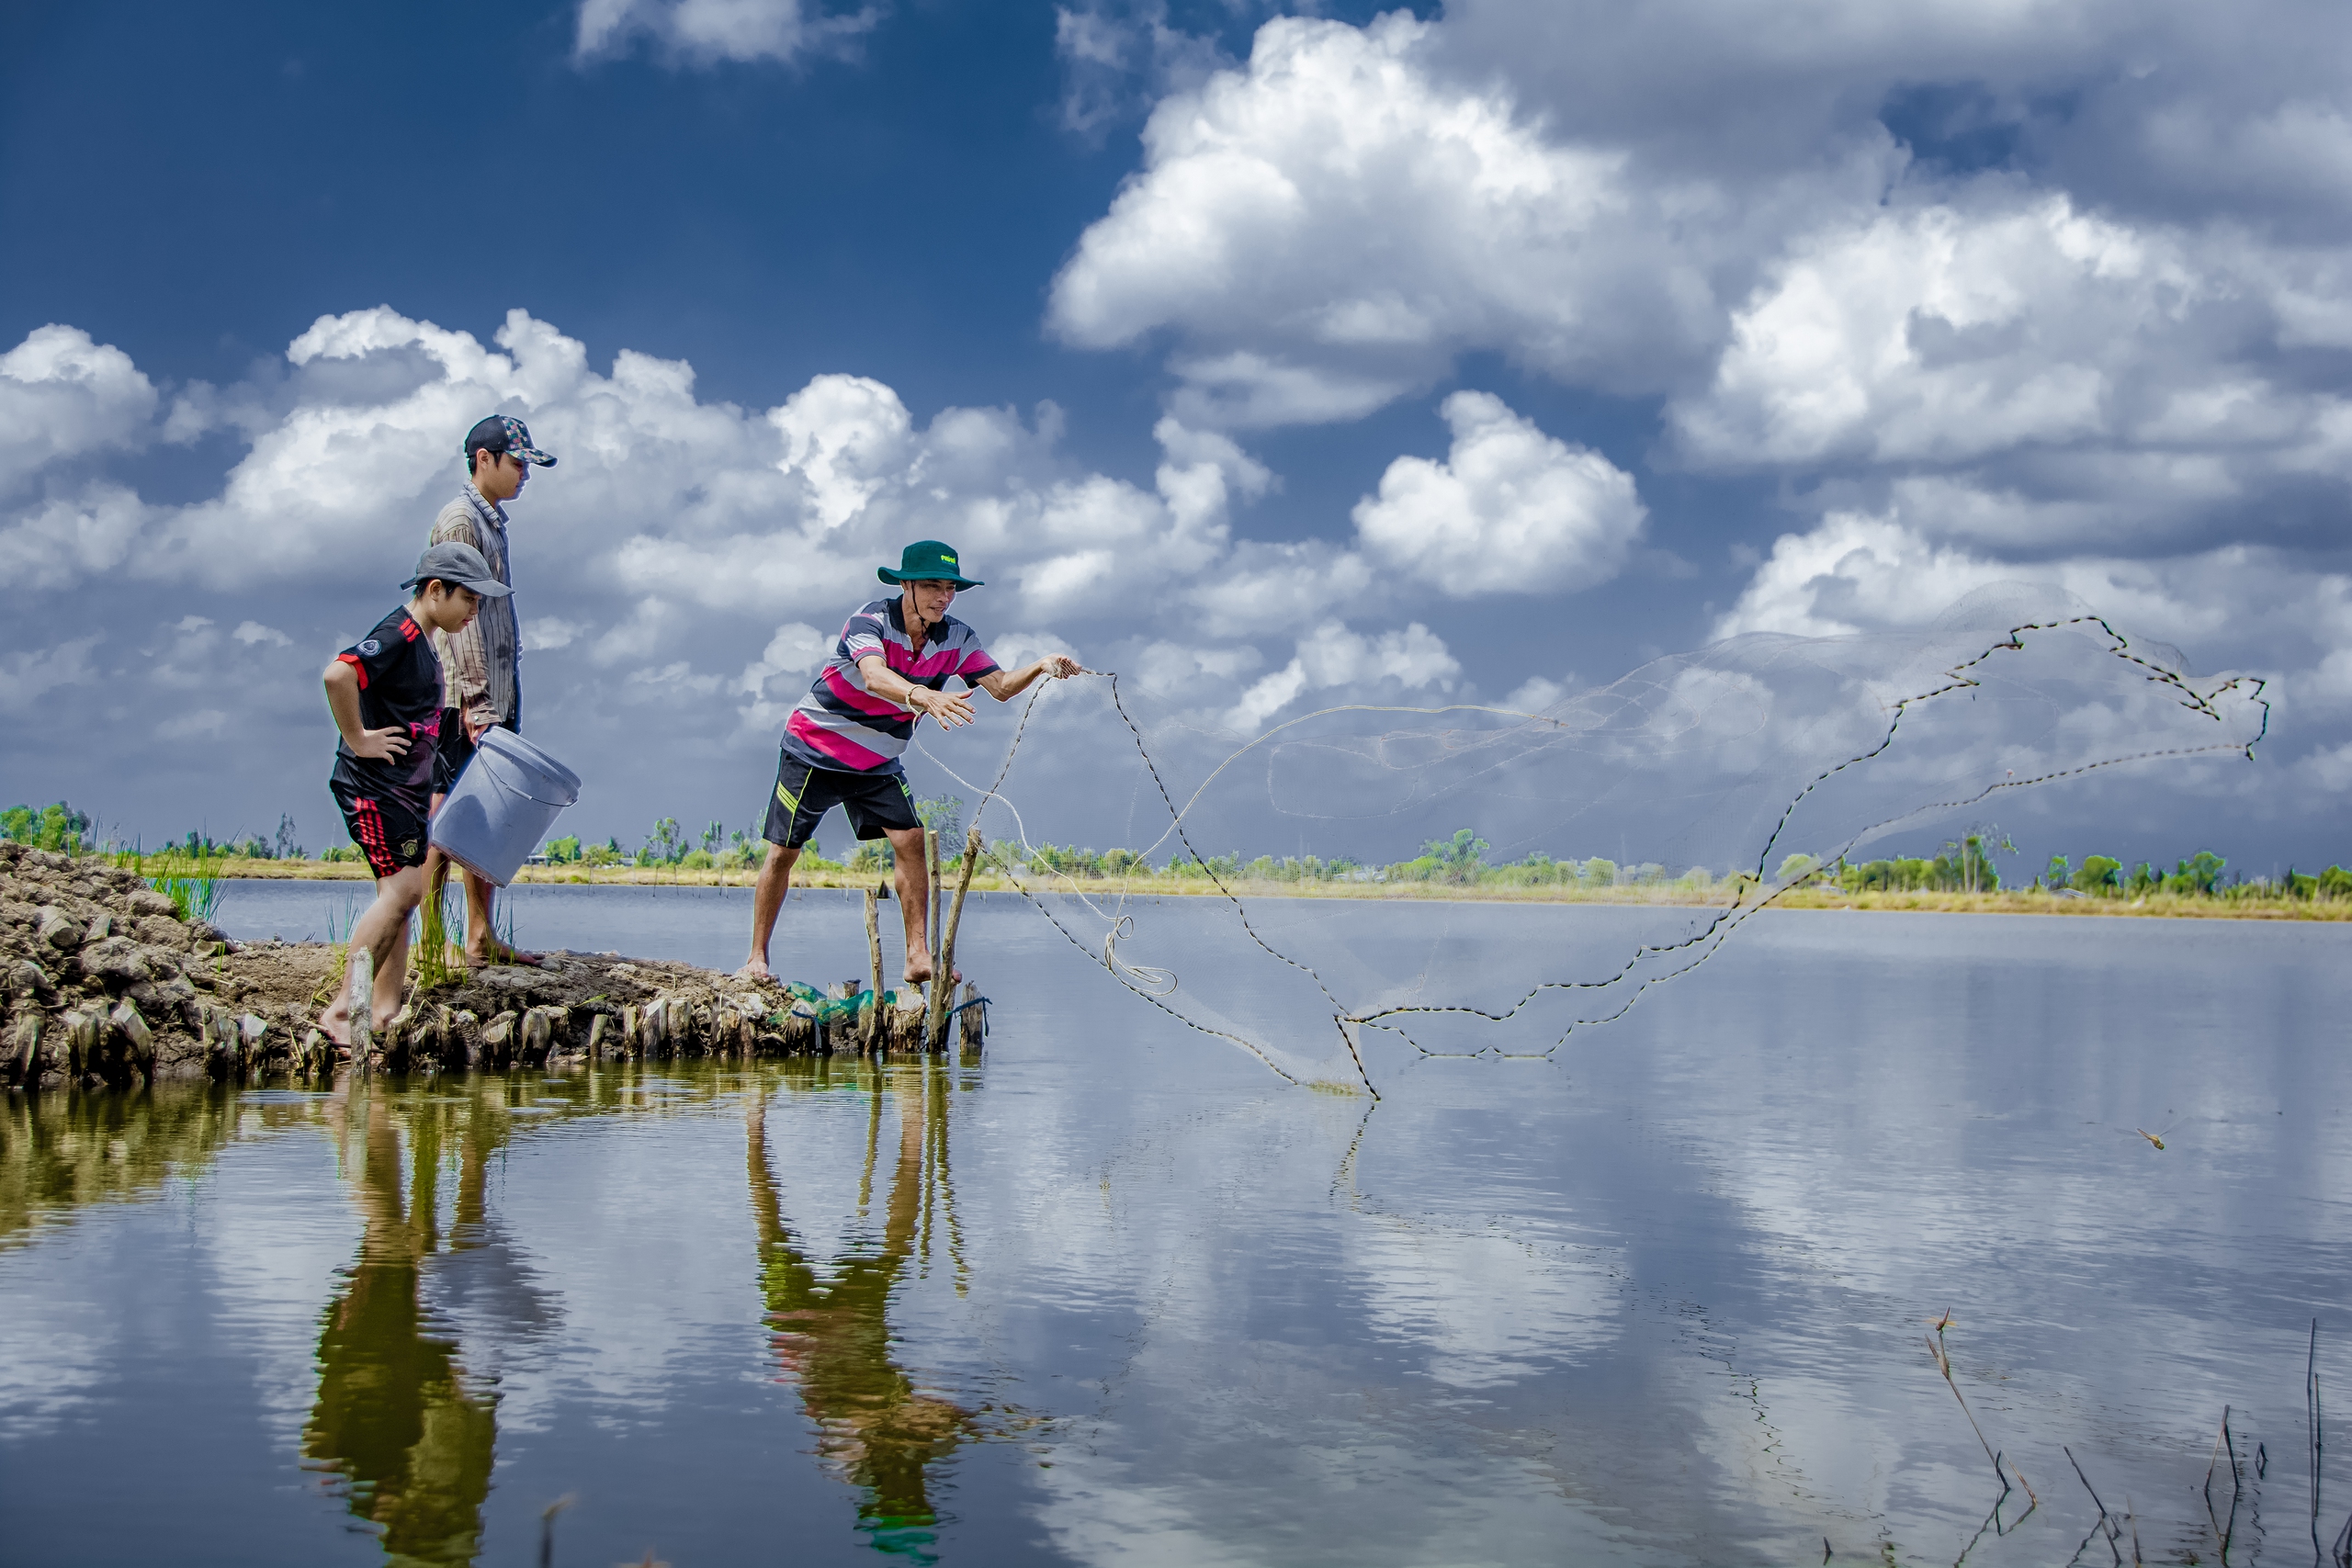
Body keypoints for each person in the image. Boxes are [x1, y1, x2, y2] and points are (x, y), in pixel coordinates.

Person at [740, 540, 1080, 987]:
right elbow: (873, 676)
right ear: (907, 585)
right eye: (933, 587)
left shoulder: (957, 637)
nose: (944, 597)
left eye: (951, 589)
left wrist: (1040, 665)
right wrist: (923, 695)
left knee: (911, 840)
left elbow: (999, 686)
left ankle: (918, 956)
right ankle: (756, 959)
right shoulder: (870, 620)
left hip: (878, 761)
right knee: (784, 852)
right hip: (815, 748)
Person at [319, 543, 511, 1044]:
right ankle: (342, 1011)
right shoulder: (400, 635)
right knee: (403, 893)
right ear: (434, 590)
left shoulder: (425, 641)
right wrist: (359, 739)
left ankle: (384, 1008)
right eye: (469, 599)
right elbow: (338, 673)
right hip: (374, 791)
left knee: (400, 896)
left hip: (403, 796)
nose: (474, 611)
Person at [421, 413, 555, 967]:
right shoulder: (460, 520)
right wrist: (477, 703)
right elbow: (460, 619)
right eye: (518, 462)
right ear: (485, 459)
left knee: (488, 819)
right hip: (462, 698)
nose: (526, 474)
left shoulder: (492, 519)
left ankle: (480, 936)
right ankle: (430, 939)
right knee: (445, 817)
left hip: (495, 693)